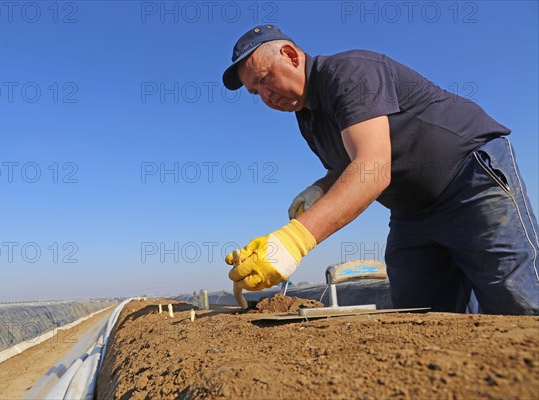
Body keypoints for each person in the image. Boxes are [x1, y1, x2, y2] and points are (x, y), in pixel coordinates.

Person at [221, 25, 539, 315]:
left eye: (264, 79)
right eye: (255, 92)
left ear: (291, 56)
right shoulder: (308, 120)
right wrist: (319, 188)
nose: (264, 95)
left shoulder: (348, 73)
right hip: (411, 212)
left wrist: (293, 240)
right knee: (419, 314)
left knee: (517, 302)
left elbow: (372, 167)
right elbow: (346, 167)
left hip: (469, 181)